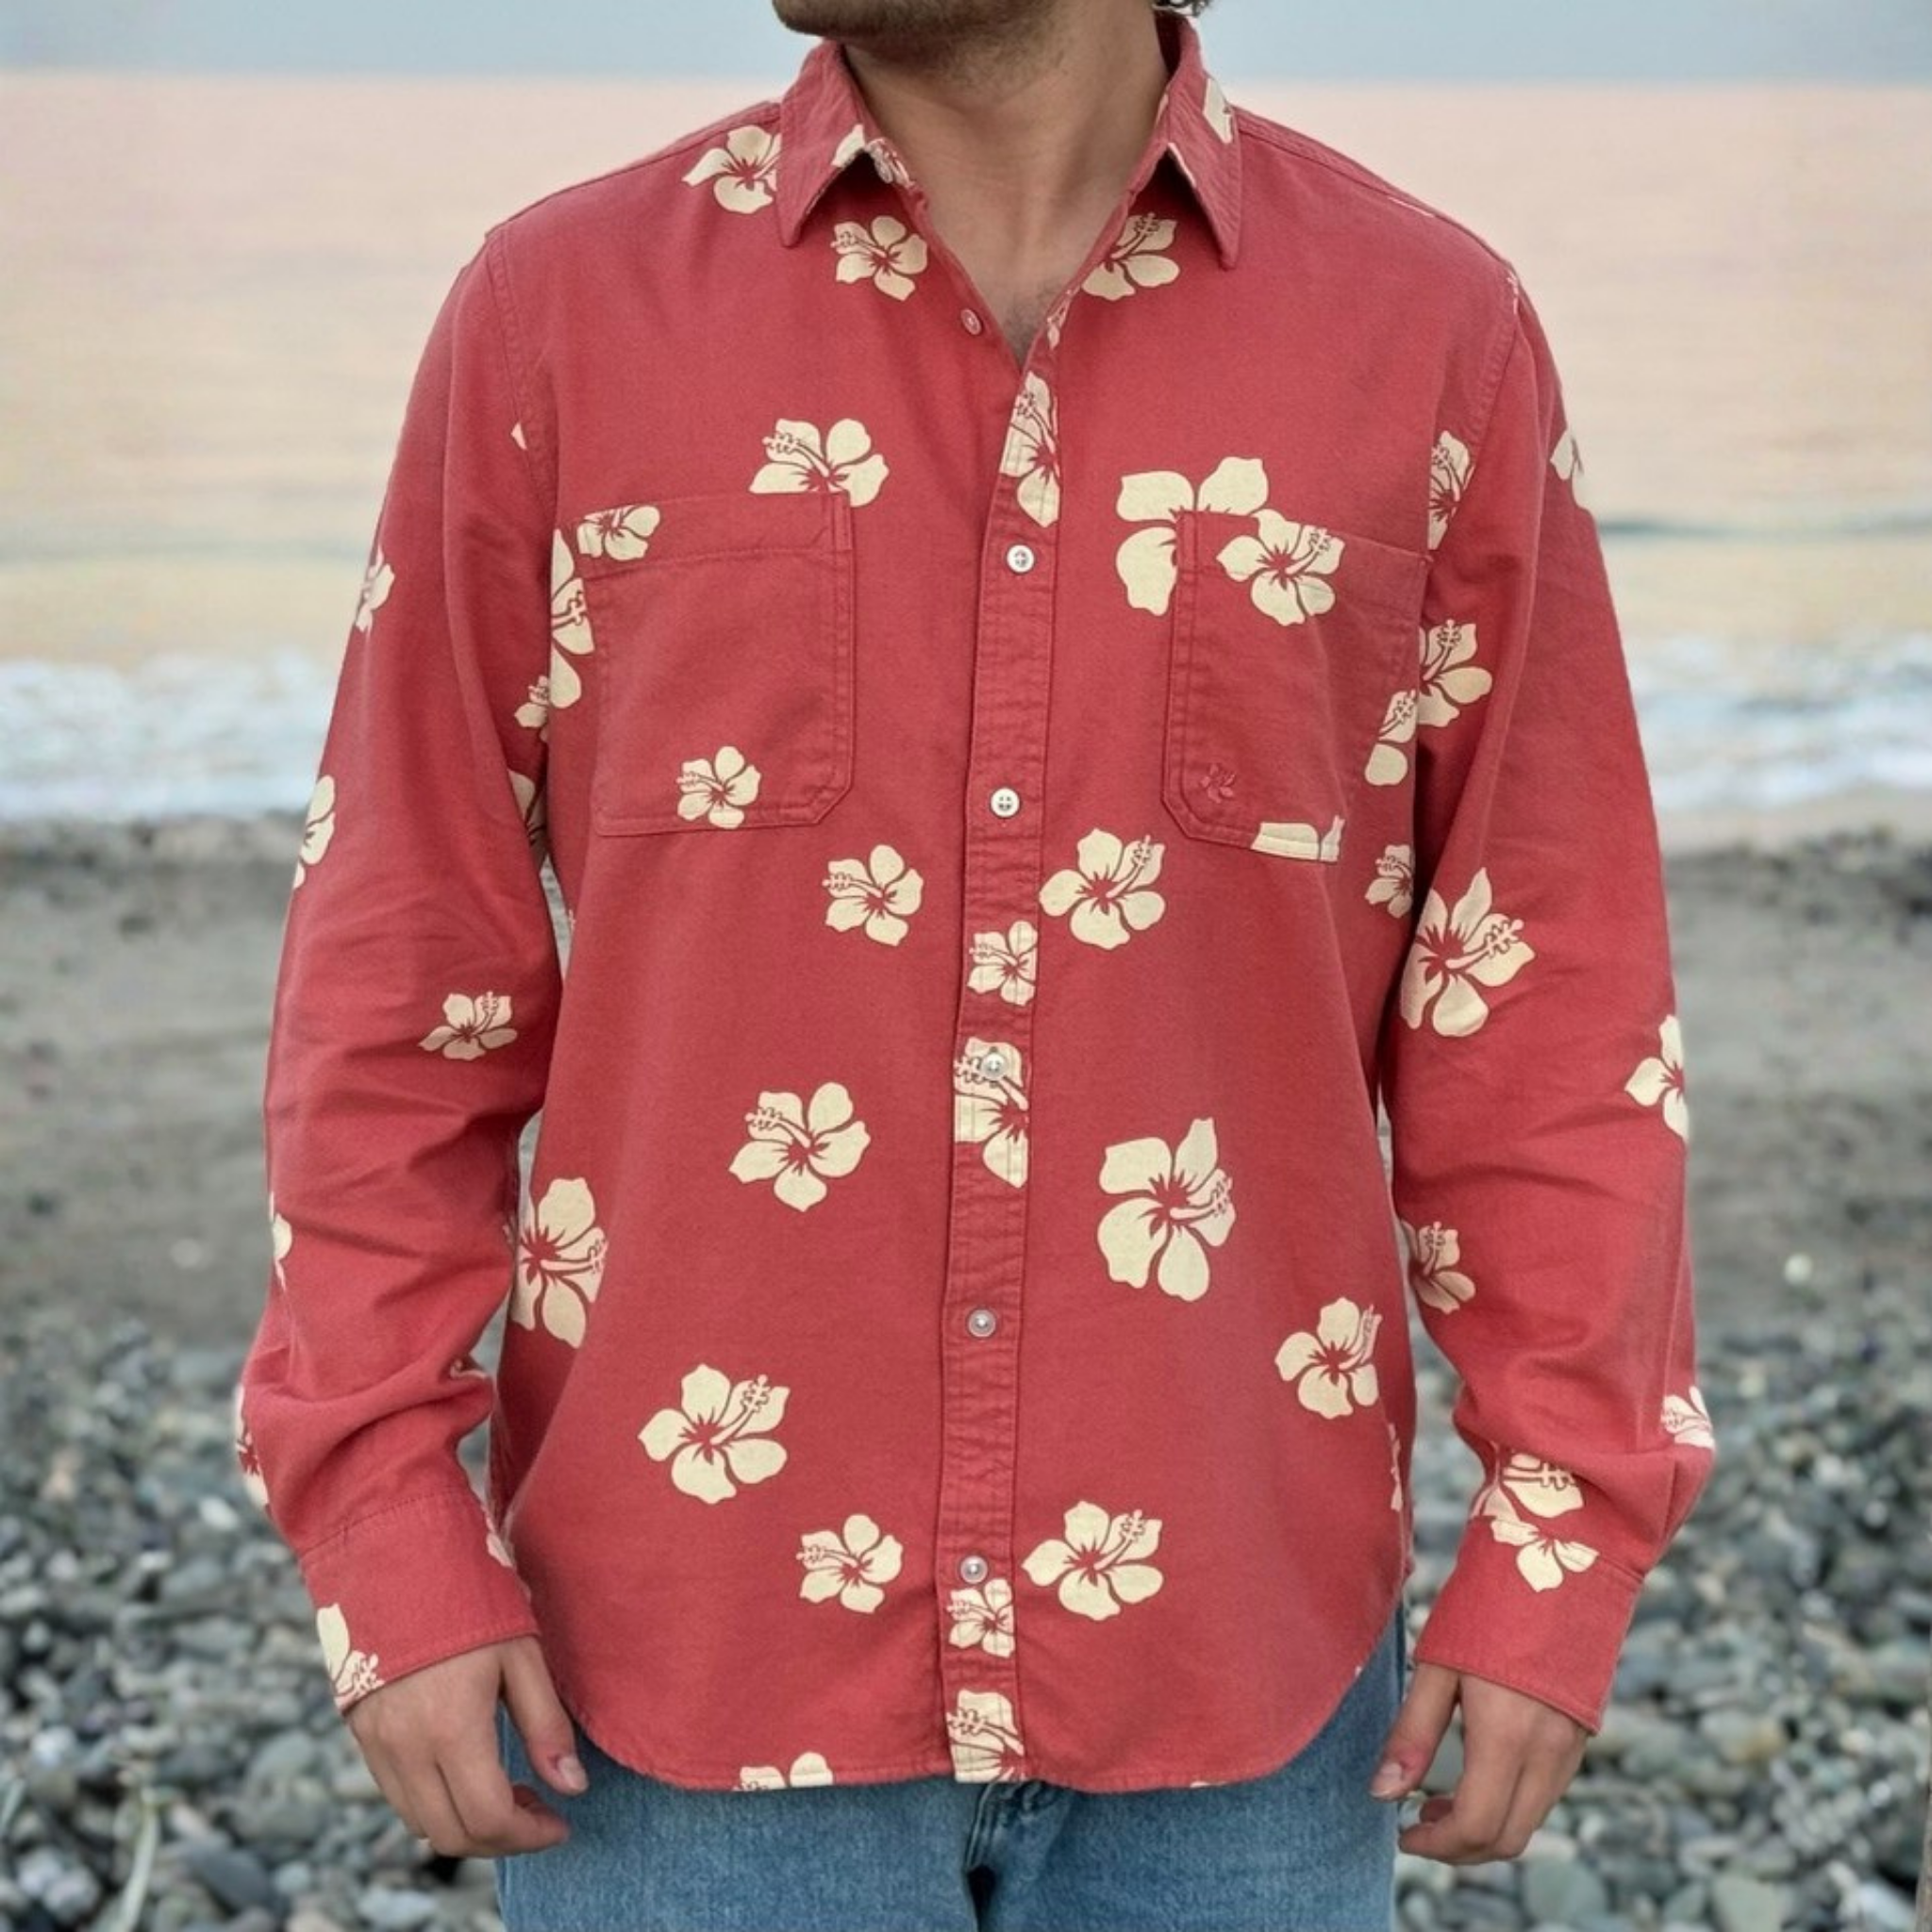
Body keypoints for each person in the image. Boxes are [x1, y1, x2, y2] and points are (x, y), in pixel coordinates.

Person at [231, 0, 1719, 1924]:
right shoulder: (557, 319)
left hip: (1244, 1688)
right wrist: (385, 1516)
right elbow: (397, 974)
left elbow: (1543, 1002)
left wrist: (1560, 1537)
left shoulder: (1430, 337)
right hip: (676, 1684)